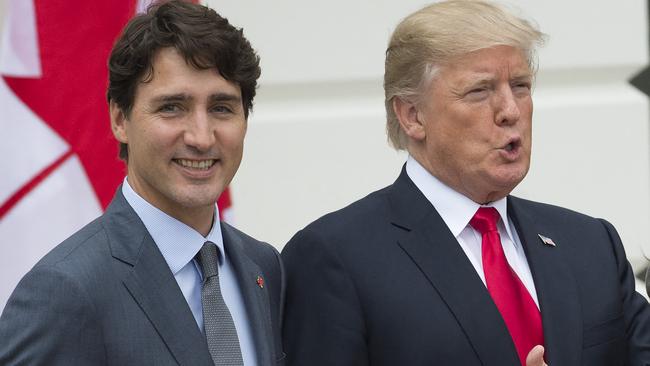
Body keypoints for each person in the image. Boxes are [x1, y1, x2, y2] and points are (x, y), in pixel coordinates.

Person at [281, 1, 650, 365]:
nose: (510, 111)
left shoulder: (590, 244)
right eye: (480, 91)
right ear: (412, 116)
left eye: (520, 86)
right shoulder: (335, 258)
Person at [0, 1, 284, 365]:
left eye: (221, 107)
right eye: (172, 107)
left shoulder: (263, 266)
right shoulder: (66, 290)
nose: (201, 136)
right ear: (120, 119)